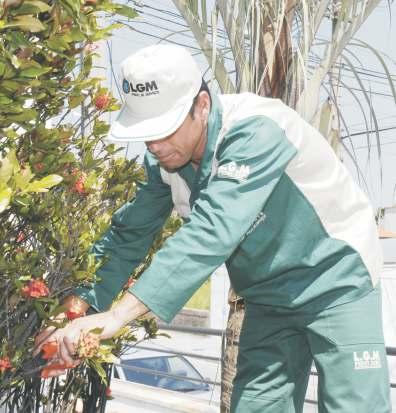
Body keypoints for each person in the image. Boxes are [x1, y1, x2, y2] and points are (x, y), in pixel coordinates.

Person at [35, 44, 391, 412]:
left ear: (202, 106)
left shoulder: (257, 128)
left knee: (355, 406)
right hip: (268, 296)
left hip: (336, 280)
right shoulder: (163, 162)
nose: (155, 145)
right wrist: (72, 313)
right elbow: (126, 237)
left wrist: (115, 317)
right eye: (146, 133)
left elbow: (212, 230)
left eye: (166, 128)